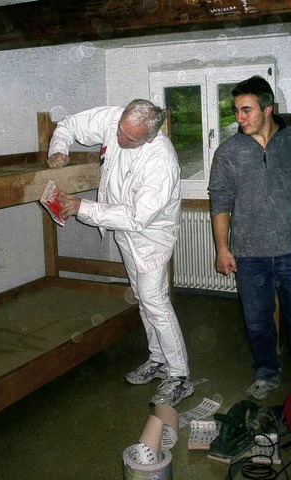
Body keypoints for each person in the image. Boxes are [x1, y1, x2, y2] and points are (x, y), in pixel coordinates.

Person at [46, 99, 193, 407]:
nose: (119, 139)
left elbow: (137, 217)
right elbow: (69, 124)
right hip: (125, 232)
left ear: (150, 136)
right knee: (142, 298)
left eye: (129, 138)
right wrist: (58, 149)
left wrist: (82, 207)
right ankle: (157, 360)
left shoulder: (161, 161)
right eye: (120, 131)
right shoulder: (115, 121)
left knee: (154, 300)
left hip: (151, 237)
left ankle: (180, 376)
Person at [208, 75, 291, 400]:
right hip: (249, 254)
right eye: (236, 110)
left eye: (246, 110)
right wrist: (222, 248)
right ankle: (267, 373)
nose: (238, 118)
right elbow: (220, 201)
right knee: (257, 321)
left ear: (268, 108)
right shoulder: (228, 152)